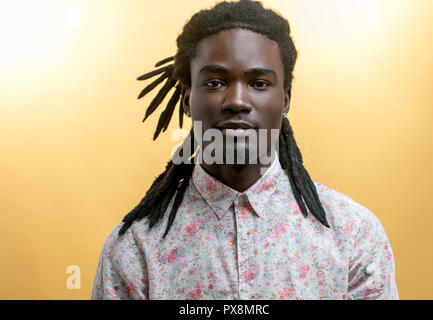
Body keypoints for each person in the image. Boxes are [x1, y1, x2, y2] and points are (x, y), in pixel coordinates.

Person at [91, 0, 399, 300]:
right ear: (187, 99)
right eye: (215, 82)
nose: (237, 100)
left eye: (259, 83)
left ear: (286, 99)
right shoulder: (134, 250)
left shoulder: (355, 236)